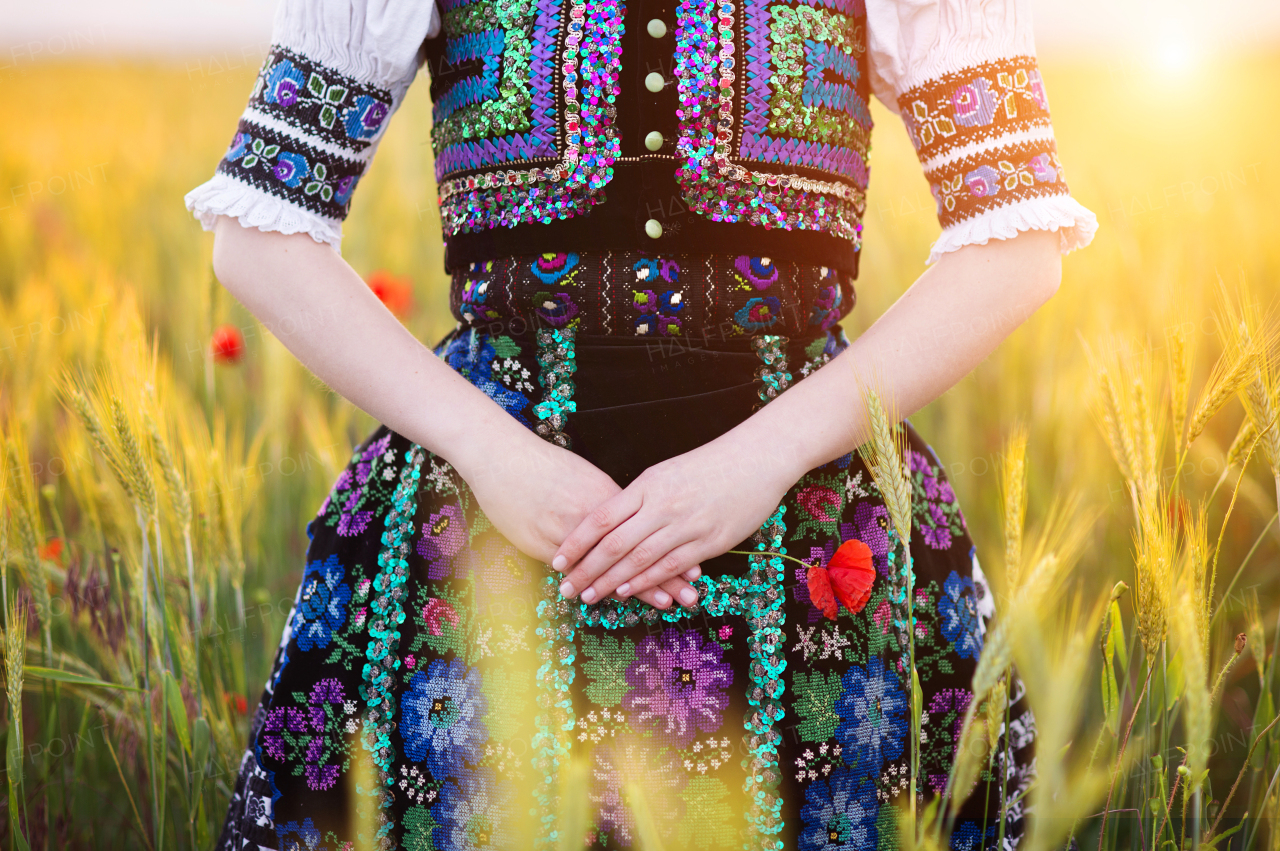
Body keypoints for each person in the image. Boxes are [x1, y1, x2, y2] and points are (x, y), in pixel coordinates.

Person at [186, 0, 1096, 846]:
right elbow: (263, 238)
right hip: (480, 531)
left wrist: (765, 455)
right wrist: (490, 452)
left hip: (817, 532)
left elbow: (1015, 244)